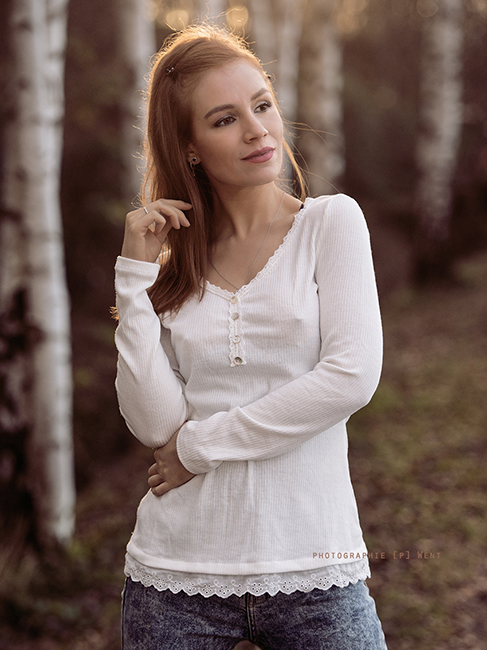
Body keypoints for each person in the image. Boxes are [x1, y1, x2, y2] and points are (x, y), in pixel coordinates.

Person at [114, 22, 387, 650]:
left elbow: (351, 377)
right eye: (225, 119)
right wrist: (132, 278)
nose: (257, 130)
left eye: (262, 105)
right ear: (189, 148)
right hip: (176, 575)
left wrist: (198, 447)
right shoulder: (170, 269)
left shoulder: (331, 224)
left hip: (315, 567)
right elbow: (155, 424)